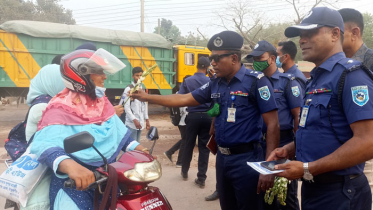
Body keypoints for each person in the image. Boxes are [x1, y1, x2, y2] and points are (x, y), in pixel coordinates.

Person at [131, 31, 280, 210]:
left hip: (247, 159)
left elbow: (273, 124)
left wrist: (269, 167)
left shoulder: (256, 82)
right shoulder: (215, 82)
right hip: (223, 159)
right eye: (211, 59)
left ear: (234, 58)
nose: (213, 63)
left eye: (217, 58)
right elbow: (184, 99)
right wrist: (147, 98)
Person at [268, 7, 373, 210]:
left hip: (341, 193)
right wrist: (290, 149)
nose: (302, 40)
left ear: (335, 34)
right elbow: (320, 129)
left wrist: (308, 168)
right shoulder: (316, 78)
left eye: (310, 33)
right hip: (314, 188)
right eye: (301, 35)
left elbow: (368, 141)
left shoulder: (351, 76)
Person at [30, 49, 151, 210]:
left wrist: (140, 149)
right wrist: (69, 165)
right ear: (82, 75)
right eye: (99, 71)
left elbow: (119, 134)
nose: (105, 76)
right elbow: (44, 144)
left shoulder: (103, 103)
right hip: (74, 187)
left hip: (107, 180)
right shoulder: (60, 107)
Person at [248, 40, 303, 210]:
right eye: (254, 58)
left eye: (260, 57)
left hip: (282, 144)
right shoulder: (253, 82)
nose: (256, 61)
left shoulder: (288, 82)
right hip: (258, 144)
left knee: (285, 195)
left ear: (272, 59)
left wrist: (295, 149)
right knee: (263, 193)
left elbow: (297, 116)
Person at [20, 57, 66, 210]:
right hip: (42, 176)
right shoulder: (43, 108)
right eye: (61, 81)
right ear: (51, 82)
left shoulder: (46, 102)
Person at [339, 8, 373, 197]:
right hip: (343, 145)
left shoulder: (370, 60)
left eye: (339, 32)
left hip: (366, 146)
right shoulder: (337, 65)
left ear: (355, 33)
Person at [176, 56, 212, 188]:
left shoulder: (188, 81)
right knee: (204, 148)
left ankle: (184, 171)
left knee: (188, 144)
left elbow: (180, 97)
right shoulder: (211, 81)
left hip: (193, 116)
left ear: (197, 66)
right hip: (208, 117)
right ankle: (201, 178)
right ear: (207, 68)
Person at [164, 76, 191, 168]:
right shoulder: (184, 94)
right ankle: (179, 162)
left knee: (185, 139)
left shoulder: (177, 93)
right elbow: (184, 109)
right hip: (184, 121)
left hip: (179, 120)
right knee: (185, 140)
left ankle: (170, 152)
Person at [118, 67, 150, 142]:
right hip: (131, 124)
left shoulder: (142, 89)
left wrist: (147, 120)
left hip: (140, 123)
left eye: (140, 76)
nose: (139, 78)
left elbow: (144, 105)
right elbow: (127, 107)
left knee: (137, 144)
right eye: (137, 75)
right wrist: (134, 120)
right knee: (132, 147)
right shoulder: (129, 89)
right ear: (133, 76)